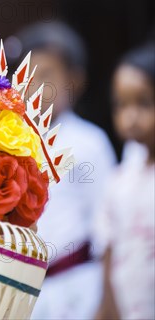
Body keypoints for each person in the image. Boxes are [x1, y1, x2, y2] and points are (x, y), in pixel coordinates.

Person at [12, 21, 117, 320]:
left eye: (46, 75)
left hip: (79, 288)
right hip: (31, 294)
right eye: (27, 76)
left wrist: (106, 303)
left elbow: (106, 228)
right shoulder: (15, 142)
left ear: (75, 80)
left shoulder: (89, 143)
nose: (34, 86)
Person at [94, 43, 155, 320]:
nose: (131, 117)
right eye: (121, 104)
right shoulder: (119, 182)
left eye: (144, 102)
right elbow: (109, 253)